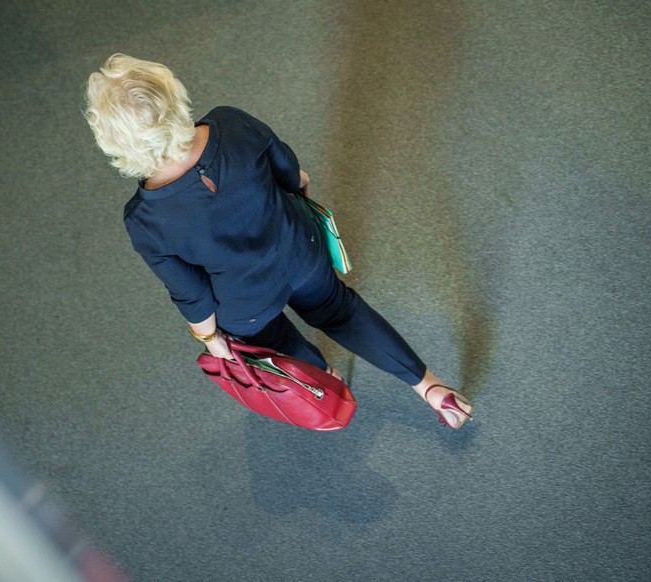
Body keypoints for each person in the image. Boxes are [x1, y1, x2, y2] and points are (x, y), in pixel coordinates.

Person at [84, 54, 473, 429]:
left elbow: (193, 295)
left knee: (273, 340)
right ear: (171, 95)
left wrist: (210, 339)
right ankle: (430, 388)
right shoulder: (230, 122)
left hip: (246, 303)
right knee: (340, 310)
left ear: (116, 142)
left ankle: (325, 379)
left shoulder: (143, 219)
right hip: (300, 248)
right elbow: (291, 173)